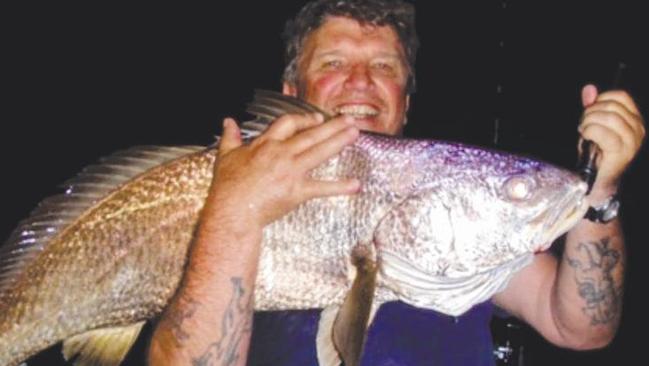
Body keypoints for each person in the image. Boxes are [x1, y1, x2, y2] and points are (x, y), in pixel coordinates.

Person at [148, 0, 646, 365]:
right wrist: (233, 214)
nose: (361, 81)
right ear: (291, 92)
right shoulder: (219, 190)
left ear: (405, 101)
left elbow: (581, 330)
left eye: (384, 66)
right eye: (334, 63)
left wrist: (598, 197)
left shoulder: (460, 207)